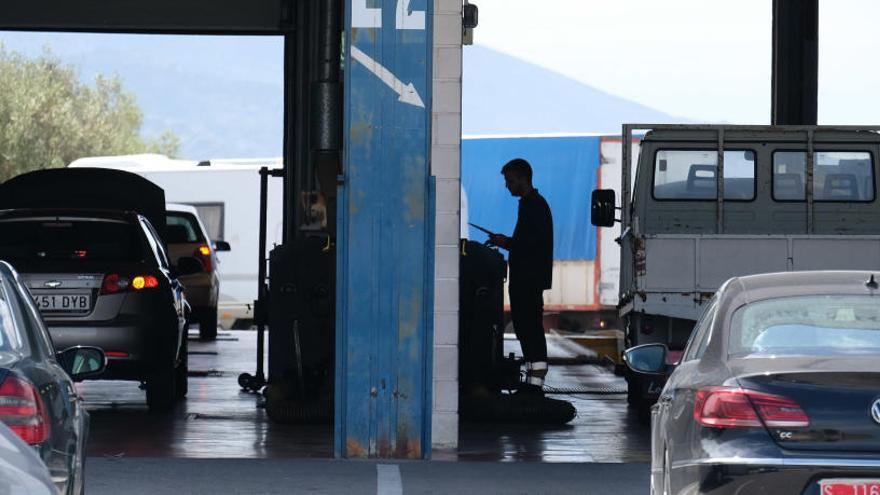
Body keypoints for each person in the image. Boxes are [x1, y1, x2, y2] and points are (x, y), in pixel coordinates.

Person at [489, 158, 553, 395]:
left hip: (528, 280)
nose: (507, 186)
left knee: (529, 329)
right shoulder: (531, 204)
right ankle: (531, 384)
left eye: (509, 180)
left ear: (522, 178)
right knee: (526, 329)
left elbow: (531, 245)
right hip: (527, 280)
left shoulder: (533, 205)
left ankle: (534, 386)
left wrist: (506, 243)